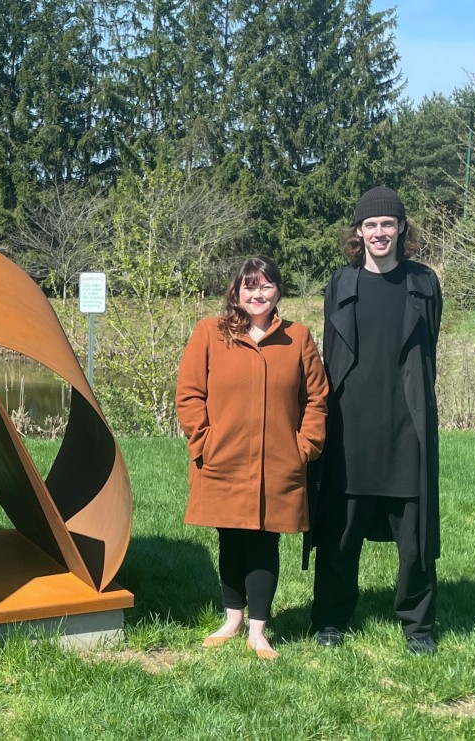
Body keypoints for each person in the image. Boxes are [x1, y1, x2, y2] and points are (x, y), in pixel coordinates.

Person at [308, 185, 443, 655]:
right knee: (339, 537)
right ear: (359, 232)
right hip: (350, 431)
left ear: (401, 228)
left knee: (416, 541)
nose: (379, 232)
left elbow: (429, 351)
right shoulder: (340, 284)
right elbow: (330, 356)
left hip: (407, 429)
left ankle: (417, 626)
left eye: (388, 223)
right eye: (371, 225)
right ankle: (330, 620)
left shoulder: (423, 283)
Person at [176, 256, 328, 659]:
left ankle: (258, 630)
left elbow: (317, 398)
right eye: (249, 287)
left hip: (279, 462)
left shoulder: (298, 338)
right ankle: (233, 619)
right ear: (236, 293)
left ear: (278, 290)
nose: (258, 294)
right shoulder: (209, 333)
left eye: (265, 286)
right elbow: (190, 394)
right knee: (230, 538)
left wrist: (305, 447)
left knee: (264, 540)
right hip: (222, 459)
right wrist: (203, 441)